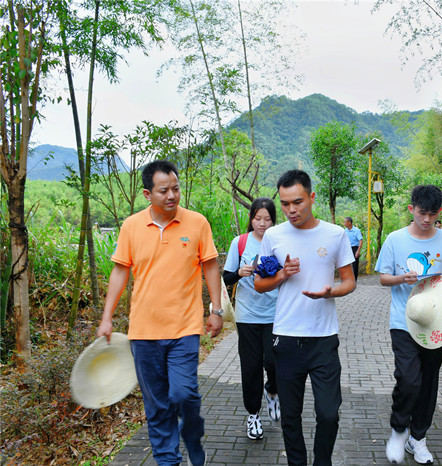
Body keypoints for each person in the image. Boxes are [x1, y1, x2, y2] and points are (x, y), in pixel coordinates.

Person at [97, 160, 223, 466]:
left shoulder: (197, 223)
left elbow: (210, 266)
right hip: (144, 332)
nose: (172, 195)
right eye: (164, 190)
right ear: (147, 194)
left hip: (184, 329)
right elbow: (120, 272)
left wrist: (216, 310)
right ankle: (168, 460)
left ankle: (191, 433)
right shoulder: (131, 226)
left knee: (183, 394)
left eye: (176, 188)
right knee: (156, 405)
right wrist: (106, 317)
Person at [254, 169, 356, 466]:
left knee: (328, 413)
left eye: (297, 202)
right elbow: (260, 284)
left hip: (324, 339)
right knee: (291, 415)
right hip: (286, 338)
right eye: (285, 203)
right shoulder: (273, 236)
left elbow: (349, 281)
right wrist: (282, 275)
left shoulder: (335, 234)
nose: (291, 210)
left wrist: (330, 292)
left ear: (312, 197)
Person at [375, 185, 442, 465]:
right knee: (408, 378)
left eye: (433, 214)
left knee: (428, 382)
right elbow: (383, 278)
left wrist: (441, 279)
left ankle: (418, 438)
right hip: (404, 321)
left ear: (440, 212)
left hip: (436, 322)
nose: (427, 219)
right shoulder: (395, 239)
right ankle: (399, 429)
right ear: (411, 209)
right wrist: (402, 279)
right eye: (422, 213)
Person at [222, 197, 281, 440]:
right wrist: (239, 272)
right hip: (247, 316)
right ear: (251, 219)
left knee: (275, 363)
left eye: (267, 219)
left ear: (273, 221)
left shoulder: (280, 242)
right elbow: (225, 278)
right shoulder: (240, 243)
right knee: (251, 366)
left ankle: (273, 392)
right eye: (258, 218)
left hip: (276, 314)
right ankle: (253, 415)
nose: (262, 224)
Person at [343, 216, 363, 280]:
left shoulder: (356, 231)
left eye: (345, 222)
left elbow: (360, 241)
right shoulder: (345, 231)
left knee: (355, 265)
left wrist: (358, 251)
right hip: (347, 248)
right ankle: (347, 279)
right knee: (347, 264)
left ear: (349, 222)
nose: (344, 223)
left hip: (354, 248)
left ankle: (354, 280)